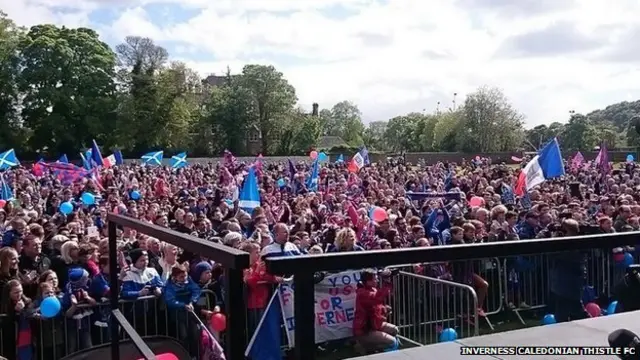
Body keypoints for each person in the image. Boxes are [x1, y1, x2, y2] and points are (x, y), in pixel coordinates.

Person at [353, 269, 399, 353]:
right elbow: (377, 298)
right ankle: (364, 347)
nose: (377, 280)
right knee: (392, 342)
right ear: (368, 281)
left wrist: (384, 308)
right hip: (365, 330)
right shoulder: (362, 293)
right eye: (375, 279)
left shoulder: (372, 289)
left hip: (375, 324)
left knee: (394, 329)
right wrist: (387, 283)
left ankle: (373, 348)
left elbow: (375, 305)